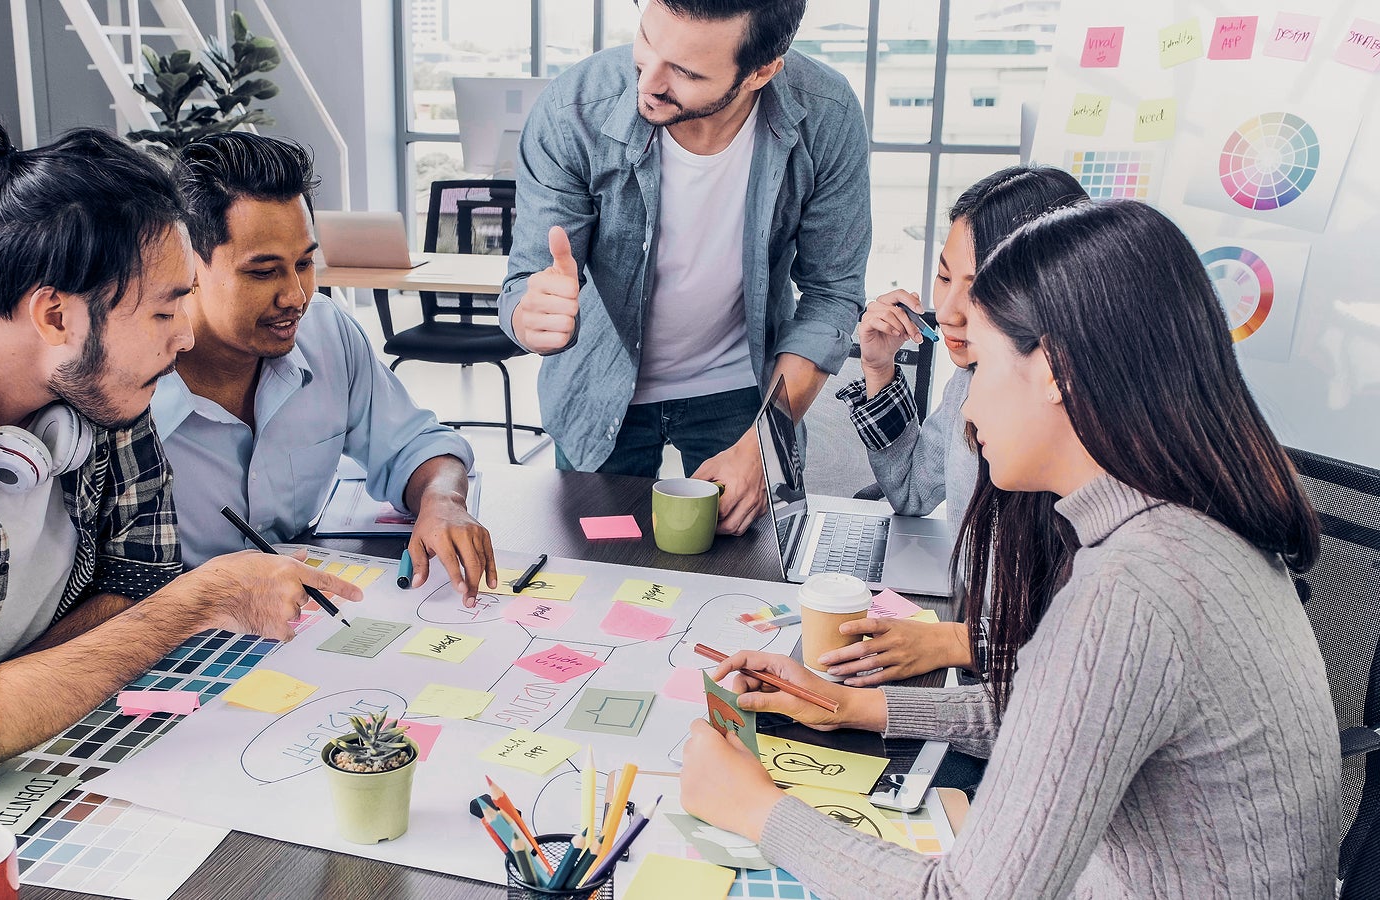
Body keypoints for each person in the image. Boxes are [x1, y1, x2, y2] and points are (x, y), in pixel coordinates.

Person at [679, 200, 1340, 897]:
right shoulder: (1190, 531)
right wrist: (851, 707)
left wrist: (754, 808)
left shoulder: (1133, 589)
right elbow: (1053, 721)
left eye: (985, 367)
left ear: (1053, 371)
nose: (966, 409)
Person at [0, 119, 359, 852]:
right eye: (164, 309)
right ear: (56, 314)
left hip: (24, 755)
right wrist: (203, 597)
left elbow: (136, 582)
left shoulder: (108, 380)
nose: (184, 337)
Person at [498, 0, 869, 536]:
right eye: (647, 41)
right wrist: (531, 315)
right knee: (594, 573)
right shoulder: (573, 109)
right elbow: (524, 280)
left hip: (743, 393)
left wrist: (766, 441)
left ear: (761, 72)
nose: (647, 82)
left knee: (744, 585)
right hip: (599, 392)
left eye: (687, 72)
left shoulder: (826, 114)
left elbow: (831, 293)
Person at [156, 132, 494, 604]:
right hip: (177, 636)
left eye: (305, 263)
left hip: (303, 621)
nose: (295, 296)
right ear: (186, 266)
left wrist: (443, 500)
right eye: (263, 271)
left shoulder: (325, 333)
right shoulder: (128, 387)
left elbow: (416, 446)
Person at [825, 166, 1088, 687]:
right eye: (944, 277)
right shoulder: (968, 384)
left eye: (978, 288)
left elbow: (1082, 650)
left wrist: (954, 641)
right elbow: (910, 490)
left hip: (1015, 680)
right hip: (977, 661)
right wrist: (879, 369)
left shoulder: (1072, 427)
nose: (946, 311)